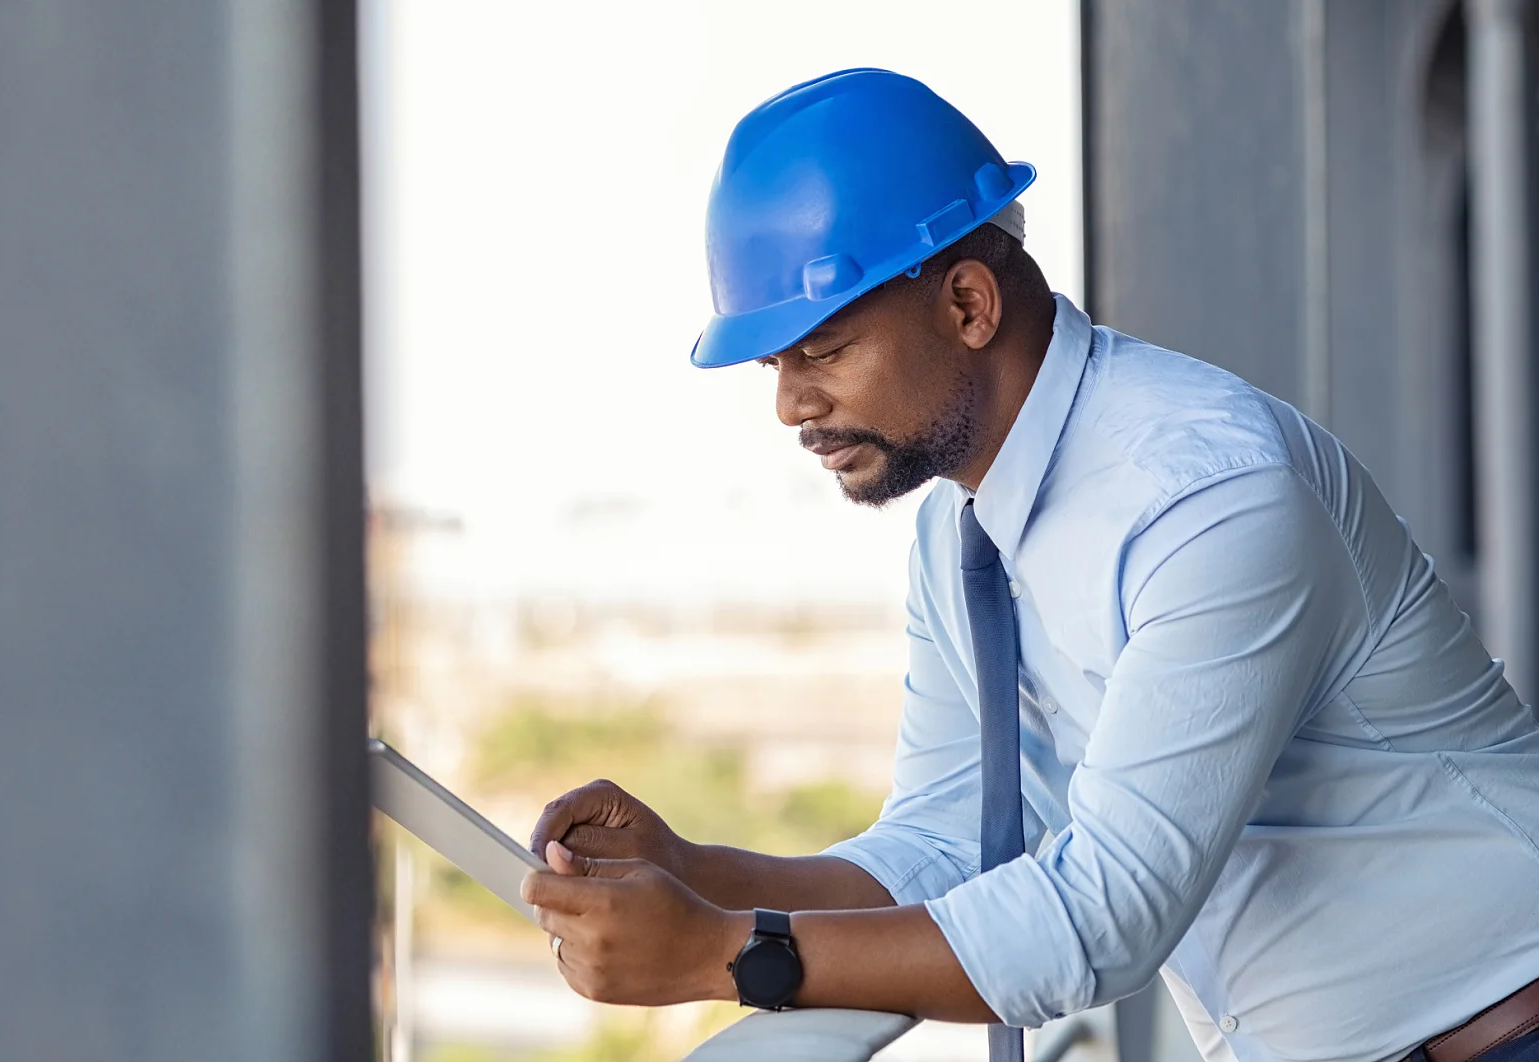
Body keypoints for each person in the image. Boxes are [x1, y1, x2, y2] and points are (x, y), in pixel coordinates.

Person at [520, 68, 1539, 1062]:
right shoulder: (959, 528)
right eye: (771, 367)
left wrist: (726, 956)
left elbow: (1101, 917)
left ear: (967, 305)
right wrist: (704, 878)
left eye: (821, 351)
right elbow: (950, 842)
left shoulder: (1205, 496)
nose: (789, 407)